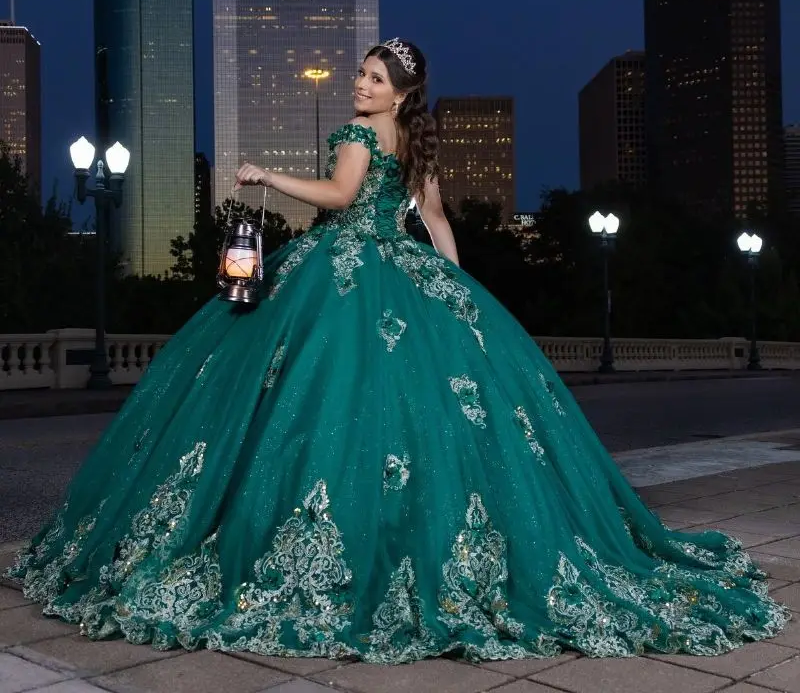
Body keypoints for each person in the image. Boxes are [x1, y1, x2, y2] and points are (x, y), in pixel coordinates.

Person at [5, 39, 788, 664]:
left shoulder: (355, 137)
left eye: (376, 78)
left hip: (342, 273)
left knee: (302, 401)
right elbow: (437, 219)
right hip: (403, 272)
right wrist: (455, 296)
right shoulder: (414, 141)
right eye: (361, 73)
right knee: (407, 416)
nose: (361, 85)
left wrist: (264, 175)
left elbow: (343, 199)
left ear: (404, 93)